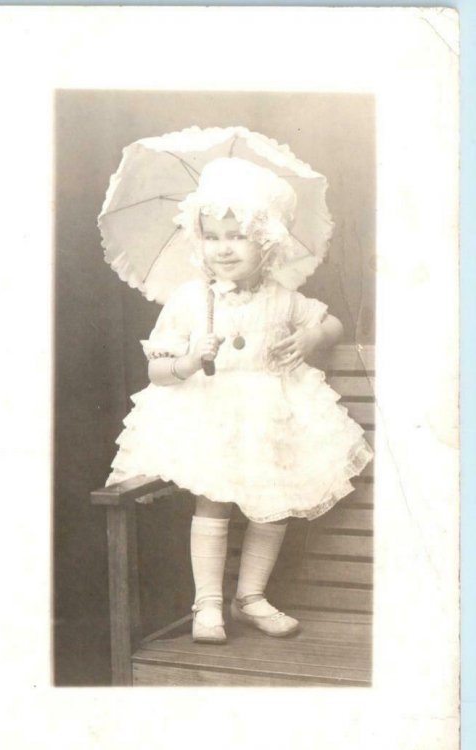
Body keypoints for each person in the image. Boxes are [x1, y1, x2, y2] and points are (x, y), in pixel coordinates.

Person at [106, 157, 373, 644]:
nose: (223, 248)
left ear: (266, 241)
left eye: (238, 236)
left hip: (271, 418)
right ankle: (207, 603)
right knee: (213, 501)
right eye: (212, 236)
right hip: (213, 416)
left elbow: (332, 323)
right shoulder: (189, 300)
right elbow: (157, 370)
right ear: (197, 240)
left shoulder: (283, 296)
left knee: (272, 505)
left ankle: (249, 596)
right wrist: (188, 361)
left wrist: (312, 339)